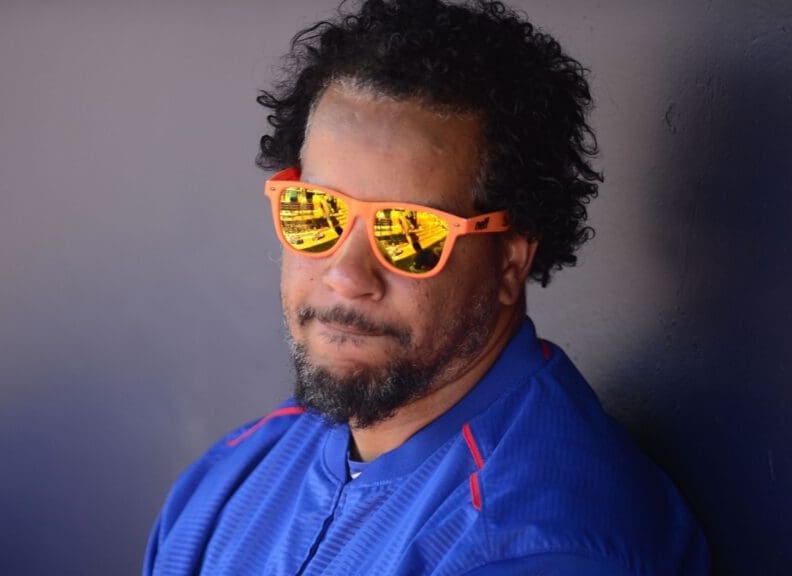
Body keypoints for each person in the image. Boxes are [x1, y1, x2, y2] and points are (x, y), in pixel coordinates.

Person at [144, 1, 710, 574]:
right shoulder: (236, 476)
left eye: (410, 231)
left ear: (511, 260)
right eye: (317, 212)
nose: (345, 275)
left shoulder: (540, 545)